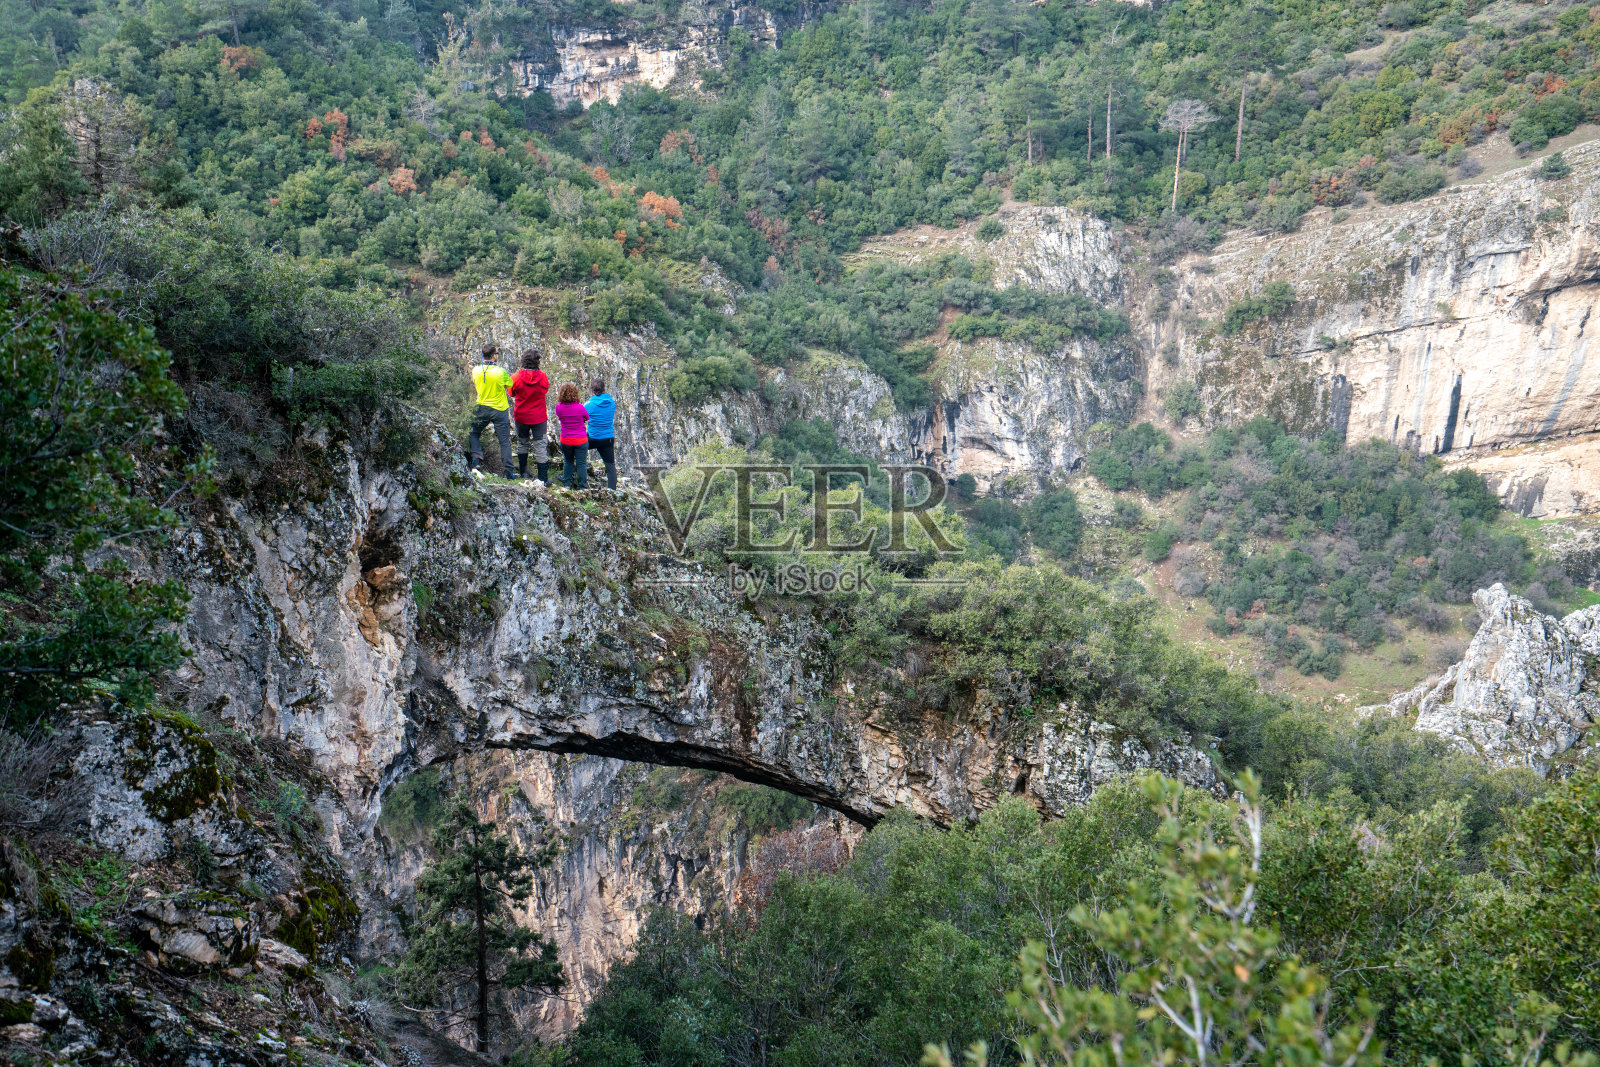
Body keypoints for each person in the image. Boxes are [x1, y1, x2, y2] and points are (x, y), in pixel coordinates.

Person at [467, 343, 515, 478]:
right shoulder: (501, 372)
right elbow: (509, 384)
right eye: (497, 353)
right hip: (500, 409)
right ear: (494, 356)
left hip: (482, 407)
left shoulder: (476, 370)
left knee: (474, 432)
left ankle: (476, 458)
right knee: (504, 441)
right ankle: (508, 471)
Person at [508, 348, 550, 484]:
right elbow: (545, 389)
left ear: (523, 361)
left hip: (521, 416)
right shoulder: (543, 377)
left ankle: (523, 472)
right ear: (537, 361)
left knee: (522, 442)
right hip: (539, 417)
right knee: (540, 445)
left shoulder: (515, 377)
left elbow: (511, 393)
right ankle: (542, 478)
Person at [553, 383, 589, 489]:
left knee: (568, 460)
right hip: (580, 440)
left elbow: (561, 417)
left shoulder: (558, 408)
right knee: (581, 463)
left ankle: (567, 483)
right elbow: (587, 418)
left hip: (566, 439)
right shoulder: (580, 407)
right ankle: (582, 486)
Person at [584, 377, 617, 490]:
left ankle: (578, 478)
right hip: (608, 438)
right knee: (610, 466)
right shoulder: (611, 402)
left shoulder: (588, 405)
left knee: (576, 449)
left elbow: (581, 417)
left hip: (593, 438)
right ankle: (612, 490)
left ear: (592, 390)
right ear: (604, 389)